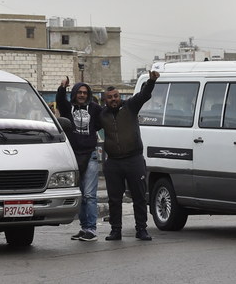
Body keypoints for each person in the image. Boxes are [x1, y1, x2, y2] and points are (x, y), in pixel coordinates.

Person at [101, 69, 159, 241]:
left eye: (116, 96)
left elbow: (144, 95)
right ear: (105, 100)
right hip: (113, 163)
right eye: (110, 97)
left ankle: (141, 229)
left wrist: (151, 81)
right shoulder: (101, 115)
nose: (114, 99)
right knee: (114, 199)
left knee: (139, 197)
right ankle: (115, 230)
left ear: (119, 97)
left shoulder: (130, 106)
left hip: (134, 160)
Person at [56, 77, 102, 242]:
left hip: (90, 155)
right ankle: (84, 228)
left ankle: (92, 229)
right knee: (81, 195)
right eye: (79, 92)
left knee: (90, 194)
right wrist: (62, 87)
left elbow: (102, 121)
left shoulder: (95, 109)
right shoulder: (68, 109)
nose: (82, 95)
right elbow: (60, 100)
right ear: (74, 94)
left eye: (85, 92)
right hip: (73, 156)